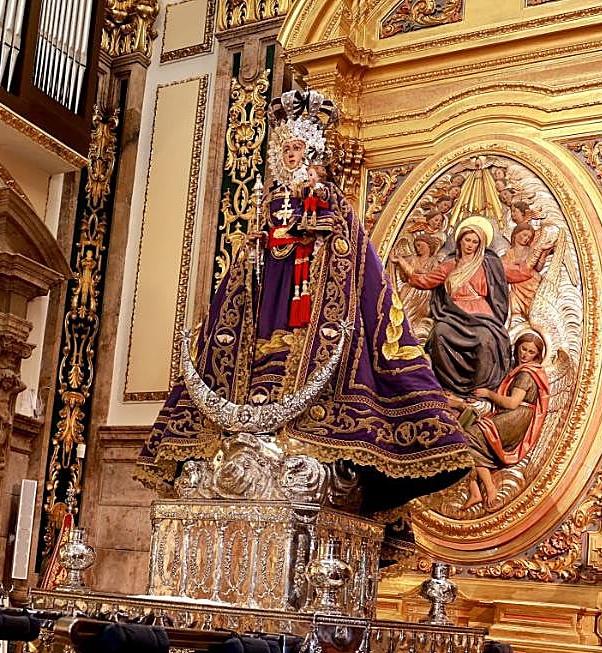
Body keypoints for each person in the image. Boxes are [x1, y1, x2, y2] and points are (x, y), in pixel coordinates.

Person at [138, 89, 472, 514]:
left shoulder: (326, 196)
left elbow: (349, 245)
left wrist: (316, 228)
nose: (291, 155)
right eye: (286, 149)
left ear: (310, 151)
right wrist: (257, 247)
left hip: (310, 290)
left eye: (298, 148)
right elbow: (262, 243)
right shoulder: (269, 202)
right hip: (273, 287)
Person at [395, 217, 538, 396]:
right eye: (467, 240)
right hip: (453, 314)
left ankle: (480, 388)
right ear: (460, 241)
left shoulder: (489, 264)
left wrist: (539, 253)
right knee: (439, 333)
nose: (470, 245)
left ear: (480, 244)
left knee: (486, 339)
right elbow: (425, 281)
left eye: (475, 242)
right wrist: (402, 263)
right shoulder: (450, 265)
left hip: (481, 314)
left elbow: (517, 273)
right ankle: (449, 386)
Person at [460, 331, 550, 509]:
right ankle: (476, 492)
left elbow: (512, 403)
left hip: (515, 418)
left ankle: (489, 488)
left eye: (531, 352)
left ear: (537, 355)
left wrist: (488, 394)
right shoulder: (522, 371)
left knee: (469, 437)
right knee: (469, 440)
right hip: (513, 417)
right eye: (523, 349)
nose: (525, 355)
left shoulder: (526, 374)